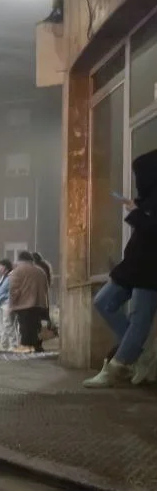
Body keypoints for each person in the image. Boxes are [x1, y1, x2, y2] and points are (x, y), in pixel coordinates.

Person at [83, 149, 157, 387]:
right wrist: (137, 206)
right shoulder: (149, 198)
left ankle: (118, 366)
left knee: (139, 318)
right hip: (134, 264)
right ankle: (139, 352)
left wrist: (137, 212)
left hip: (151, 269)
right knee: (103, 301)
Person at [9, 252, 50, 353]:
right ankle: (37, 346)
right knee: (36, 326)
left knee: (25, 327)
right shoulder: (40, 271)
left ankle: (26, 347)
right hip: (39, 303)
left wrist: (11, 305)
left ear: (19, 260)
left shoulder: (17, 271)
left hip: (23, 304)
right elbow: (46, 288)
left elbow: (14, 290)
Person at [0, 258, 18, 351]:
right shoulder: (2, 277)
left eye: (0, 266)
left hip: (6, 303)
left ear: (5, 267)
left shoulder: (11, 277)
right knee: (1, 325)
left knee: (8, 324)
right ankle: (3, 345)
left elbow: (12, 291)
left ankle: (13, 344)